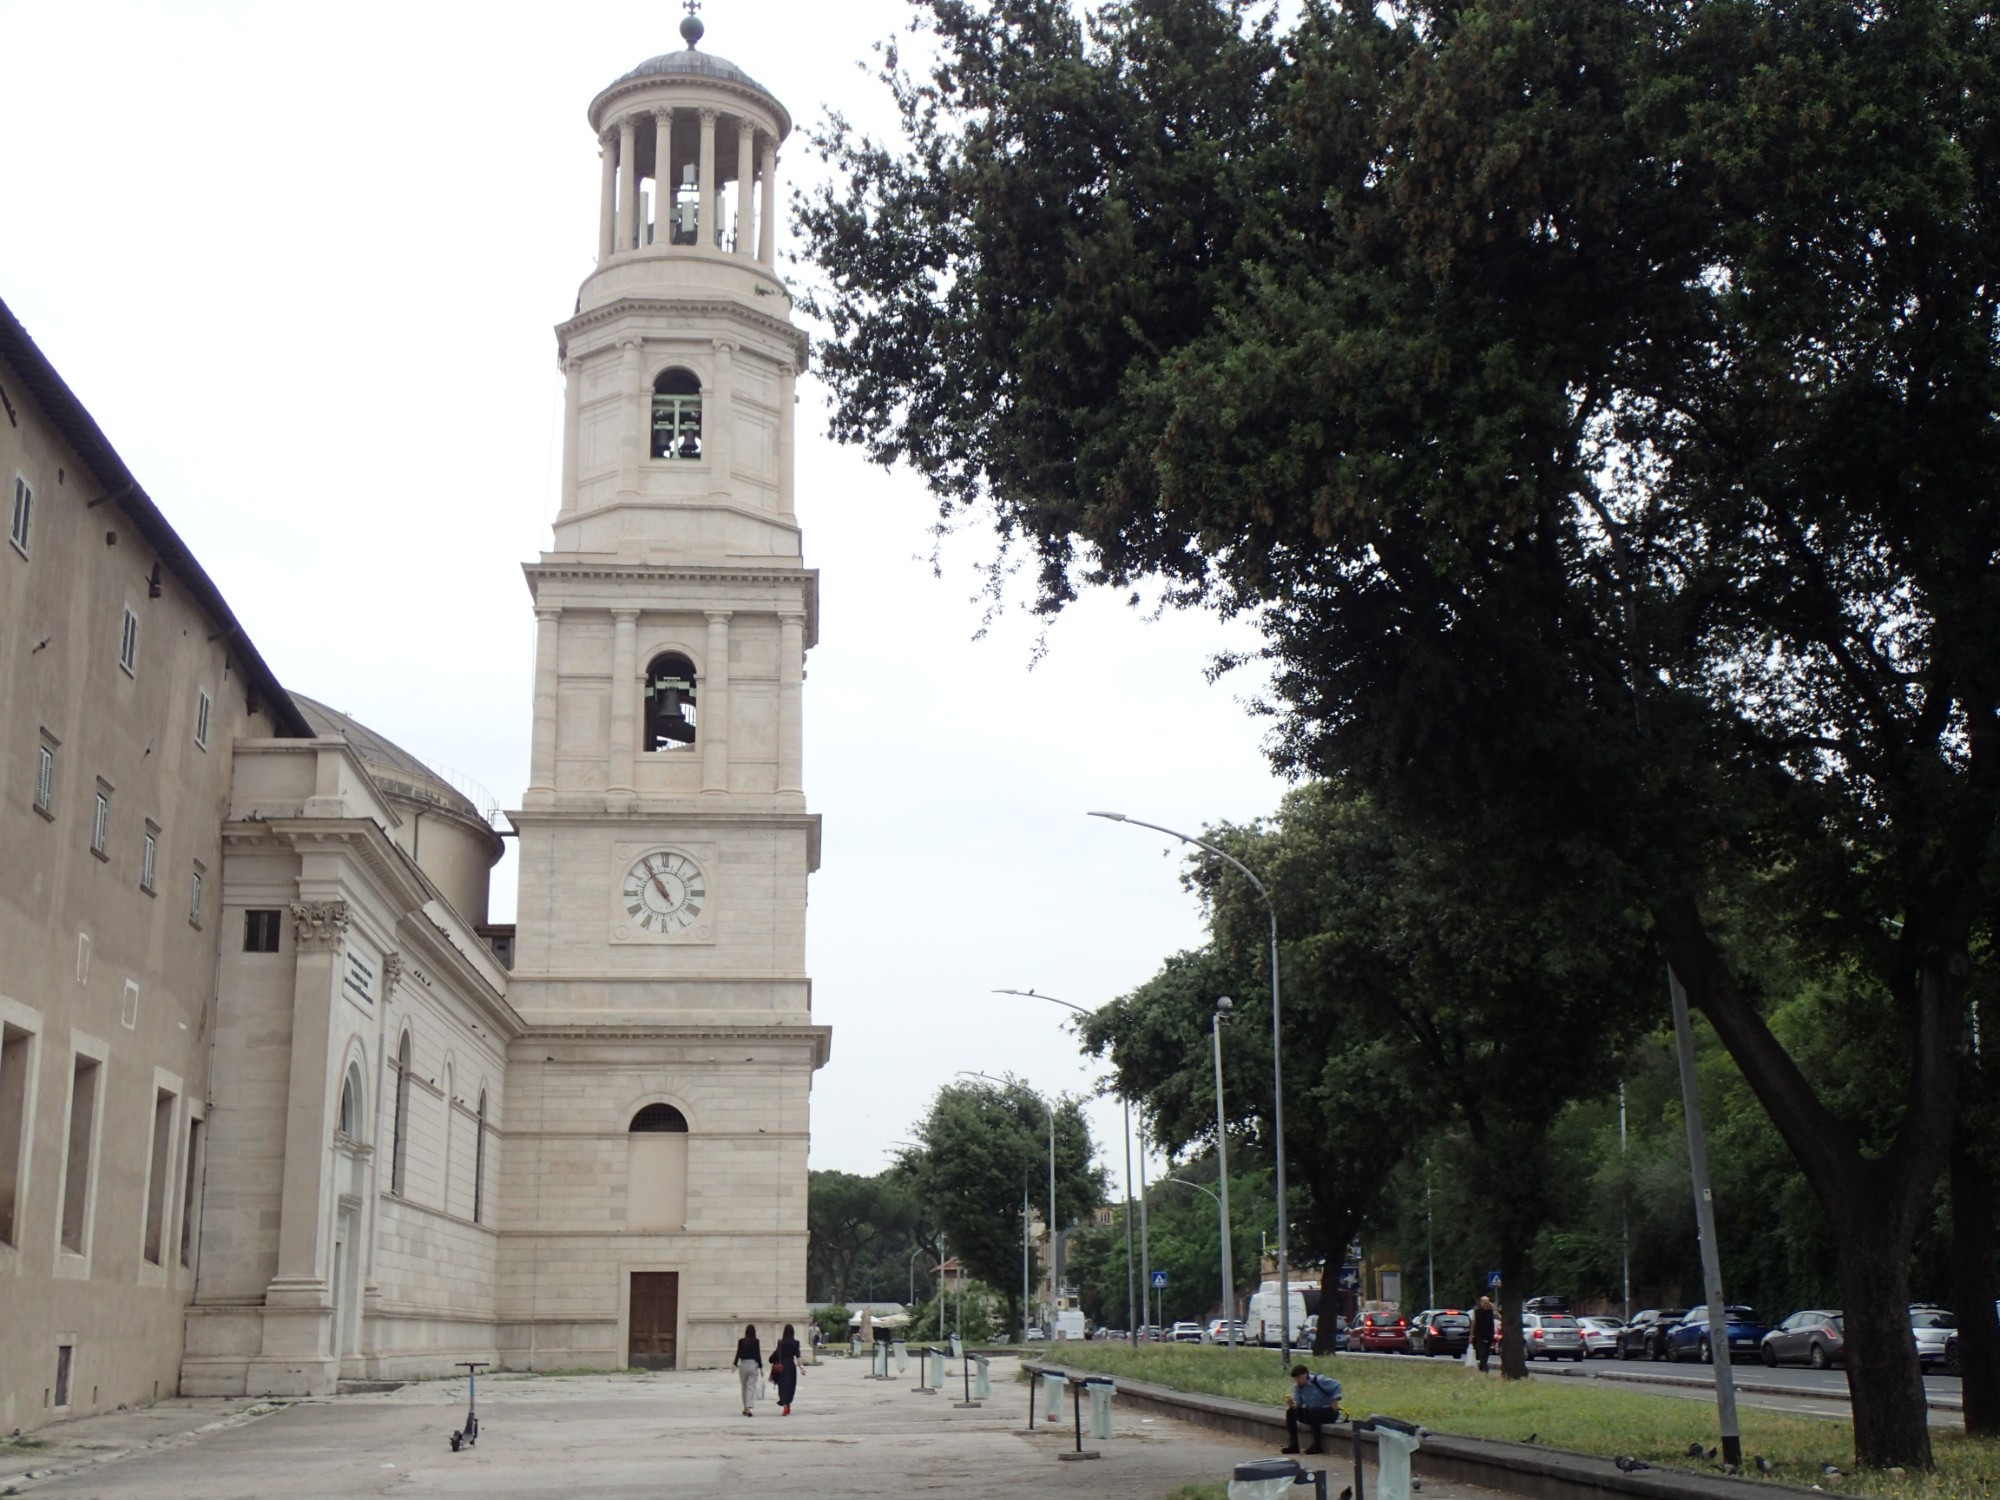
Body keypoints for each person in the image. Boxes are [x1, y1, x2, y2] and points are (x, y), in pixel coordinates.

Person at [1282, 1364, 1342, 1455]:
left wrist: (1335, 1400)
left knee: (1314, 1411)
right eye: (1295, 1378)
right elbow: (1299, 1404)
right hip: (1311, 1413)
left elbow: (1337, 1384)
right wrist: (1292, 1405)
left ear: (1305, 1375)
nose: (1297, 1380)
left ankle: (1317, 1445)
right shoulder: (1297, 1387)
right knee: (1290, 1412)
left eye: (1299, 1377)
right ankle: (1293, 1445)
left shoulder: (1318, 1380)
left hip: (1328, 1411)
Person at [771, 1323, 803, 1416]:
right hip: (791, 1366)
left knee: (782, 1386)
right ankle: (788, 1403)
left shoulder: (781, 1342)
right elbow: (798, 1356)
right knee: (790, 1386)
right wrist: (801, 1367)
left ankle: (784, 1404)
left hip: (782, 1366)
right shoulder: (796, 1343)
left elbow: (777, 1353)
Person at [735, 1323, 763, 1417]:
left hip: (743, 1364)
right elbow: (758, 1354)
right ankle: (748, 1407)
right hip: (753, 1364)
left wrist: (734, 1364)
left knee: (744, 1387)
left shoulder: (741, 1341)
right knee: (751, 1386)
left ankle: (745, 1407)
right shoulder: (756, 1341)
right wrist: (761, 1367)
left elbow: (738, 1353)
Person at [1473, 1296, 1497, 1374]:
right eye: (1484, 1303)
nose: (1486, 1305)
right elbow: (1474, 1324)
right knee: (1482, 1353)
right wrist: (1471, 1336)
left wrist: (1494, 1308)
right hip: (1479, 1336)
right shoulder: (1477, 1312)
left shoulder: (1491, 1312)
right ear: (1481, 1303)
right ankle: (1485, 1369)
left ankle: (1482, 1367)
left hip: (1489, 1335)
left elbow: (1500, 1317)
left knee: (1486, 1353)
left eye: (1487, 1303)